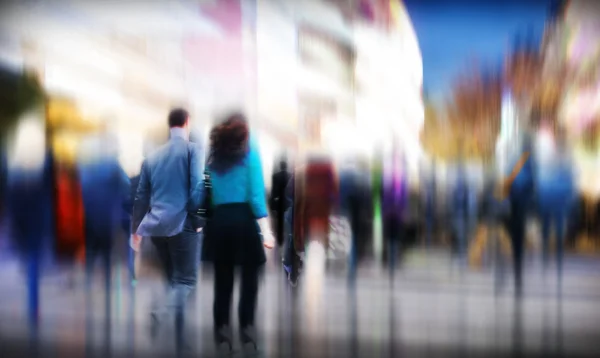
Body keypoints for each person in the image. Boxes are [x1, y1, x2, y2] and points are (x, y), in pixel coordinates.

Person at [200, 112, 275, 351]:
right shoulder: (250, 149)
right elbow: (255, 194)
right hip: (243, 221)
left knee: (223, 281)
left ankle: (222, 330)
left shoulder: (214, 151)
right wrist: (265, 229)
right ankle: (247, 328)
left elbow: (206, 189)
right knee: (250, 279)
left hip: (220, 221)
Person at [132, 108, 204, 351]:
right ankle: (161, 315)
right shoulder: (193, 150)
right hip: (183, 224)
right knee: (186, 281)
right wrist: (197, 220)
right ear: (187, 122)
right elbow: (196, 188)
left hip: (157, 228)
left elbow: (142, 195)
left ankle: (179, 336)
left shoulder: (154, 157)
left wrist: (136, 230)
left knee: (174, 282)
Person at [535, 126, 575, 287]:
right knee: (550, 227)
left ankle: (553, 254)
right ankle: (549, 253)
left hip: (553, 198)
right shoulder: (553, 156)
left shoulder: (564, 157)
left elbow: (570, 178)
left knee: (555, 228)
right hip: (550, 197)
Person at [270, 157, 291, 247]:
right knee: (287, 219)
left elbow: (274, 190)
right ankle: (288, 236)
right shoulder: (290, 175)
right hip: (287, 201)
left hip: (279, 201)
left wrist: (273, 202)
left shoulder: (275, 176)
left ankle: (279, 238)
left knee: (279, 220)